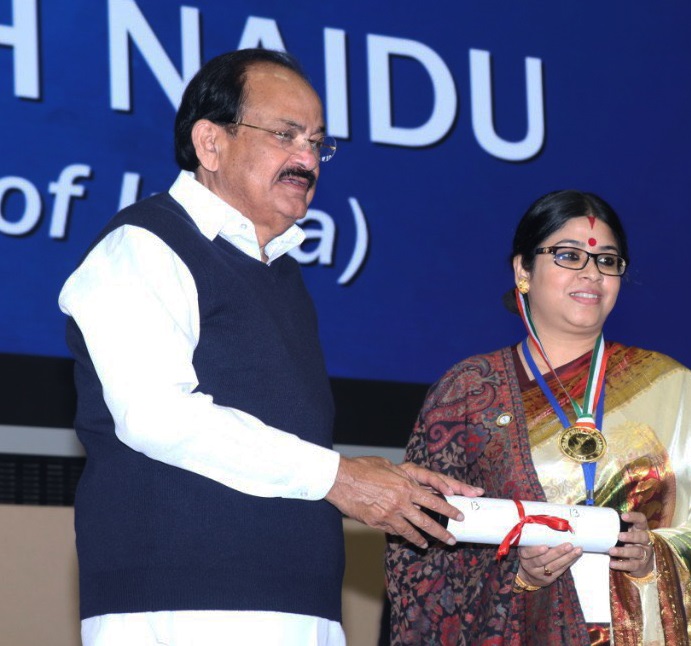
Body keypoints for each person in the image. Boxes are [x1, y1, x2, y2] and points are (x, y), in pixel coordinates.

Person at [59, 48, 481, 646]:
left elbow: (289, 452)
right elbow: (156, 415)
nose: (307, 158)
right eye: (285, 135)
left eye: (317, 142)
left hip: (302, 610)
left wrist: (383, 483)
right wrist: (339, 477)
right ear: (210, 144)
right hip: (186, 612)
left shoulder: (280, 271)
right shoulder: (143, 245)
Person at [385, 190, 691, 644]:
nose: (592, 273)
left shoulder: (670, 388)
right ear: (522, 270)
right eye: (569, 256)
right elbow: (420, 555)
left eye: (608, 261)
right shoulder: (467, 392)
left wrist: (658, 555)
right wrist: (517, 569)